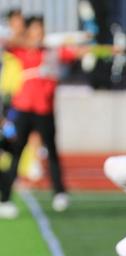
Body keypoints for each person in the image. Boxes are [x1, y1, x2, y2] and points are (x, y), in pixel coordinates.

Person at [0, 15, 90, 216]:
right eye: (35, 30)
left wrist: (105, 50)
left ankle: (59, 193)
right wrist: (28, 41)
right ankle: (5, 199)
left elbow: (76, 52)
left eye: (41, 30)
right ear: (29, 32)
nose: (39, 34)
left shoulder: (50, 52)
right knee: (15, 153)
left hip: (45, 111)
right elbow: (6, 41)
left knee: (52, 153)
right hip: (23, 110)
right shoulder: (21, 51)